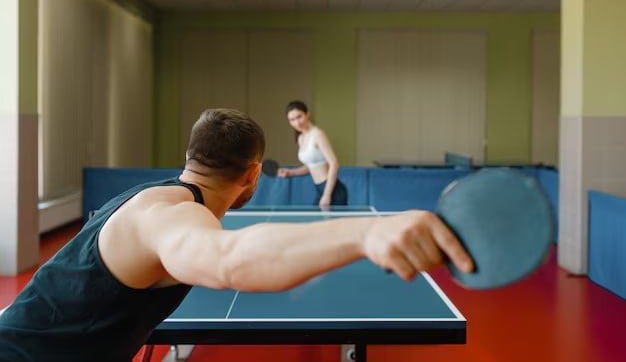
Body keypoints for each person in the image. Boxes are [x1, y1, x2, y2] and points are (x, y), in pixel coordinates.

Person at [0, 108, 473, 362]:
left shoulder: (153, 197)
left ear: (190, 157)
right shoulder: (166, 216)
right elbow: (230, 258)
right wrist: (369, 231)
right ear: (252, 173)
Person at [277, 100, 347, 208]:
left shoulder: (318, 134)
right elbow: (310, 167)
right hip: (319, 189)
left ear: (307, 114)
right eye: (292, 120)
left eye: (299, 117)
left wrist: (327, 195)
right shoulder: (301, 138)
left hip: (332, 191)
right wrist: (290, 173)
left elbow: (334, 163)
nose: (297, 123)